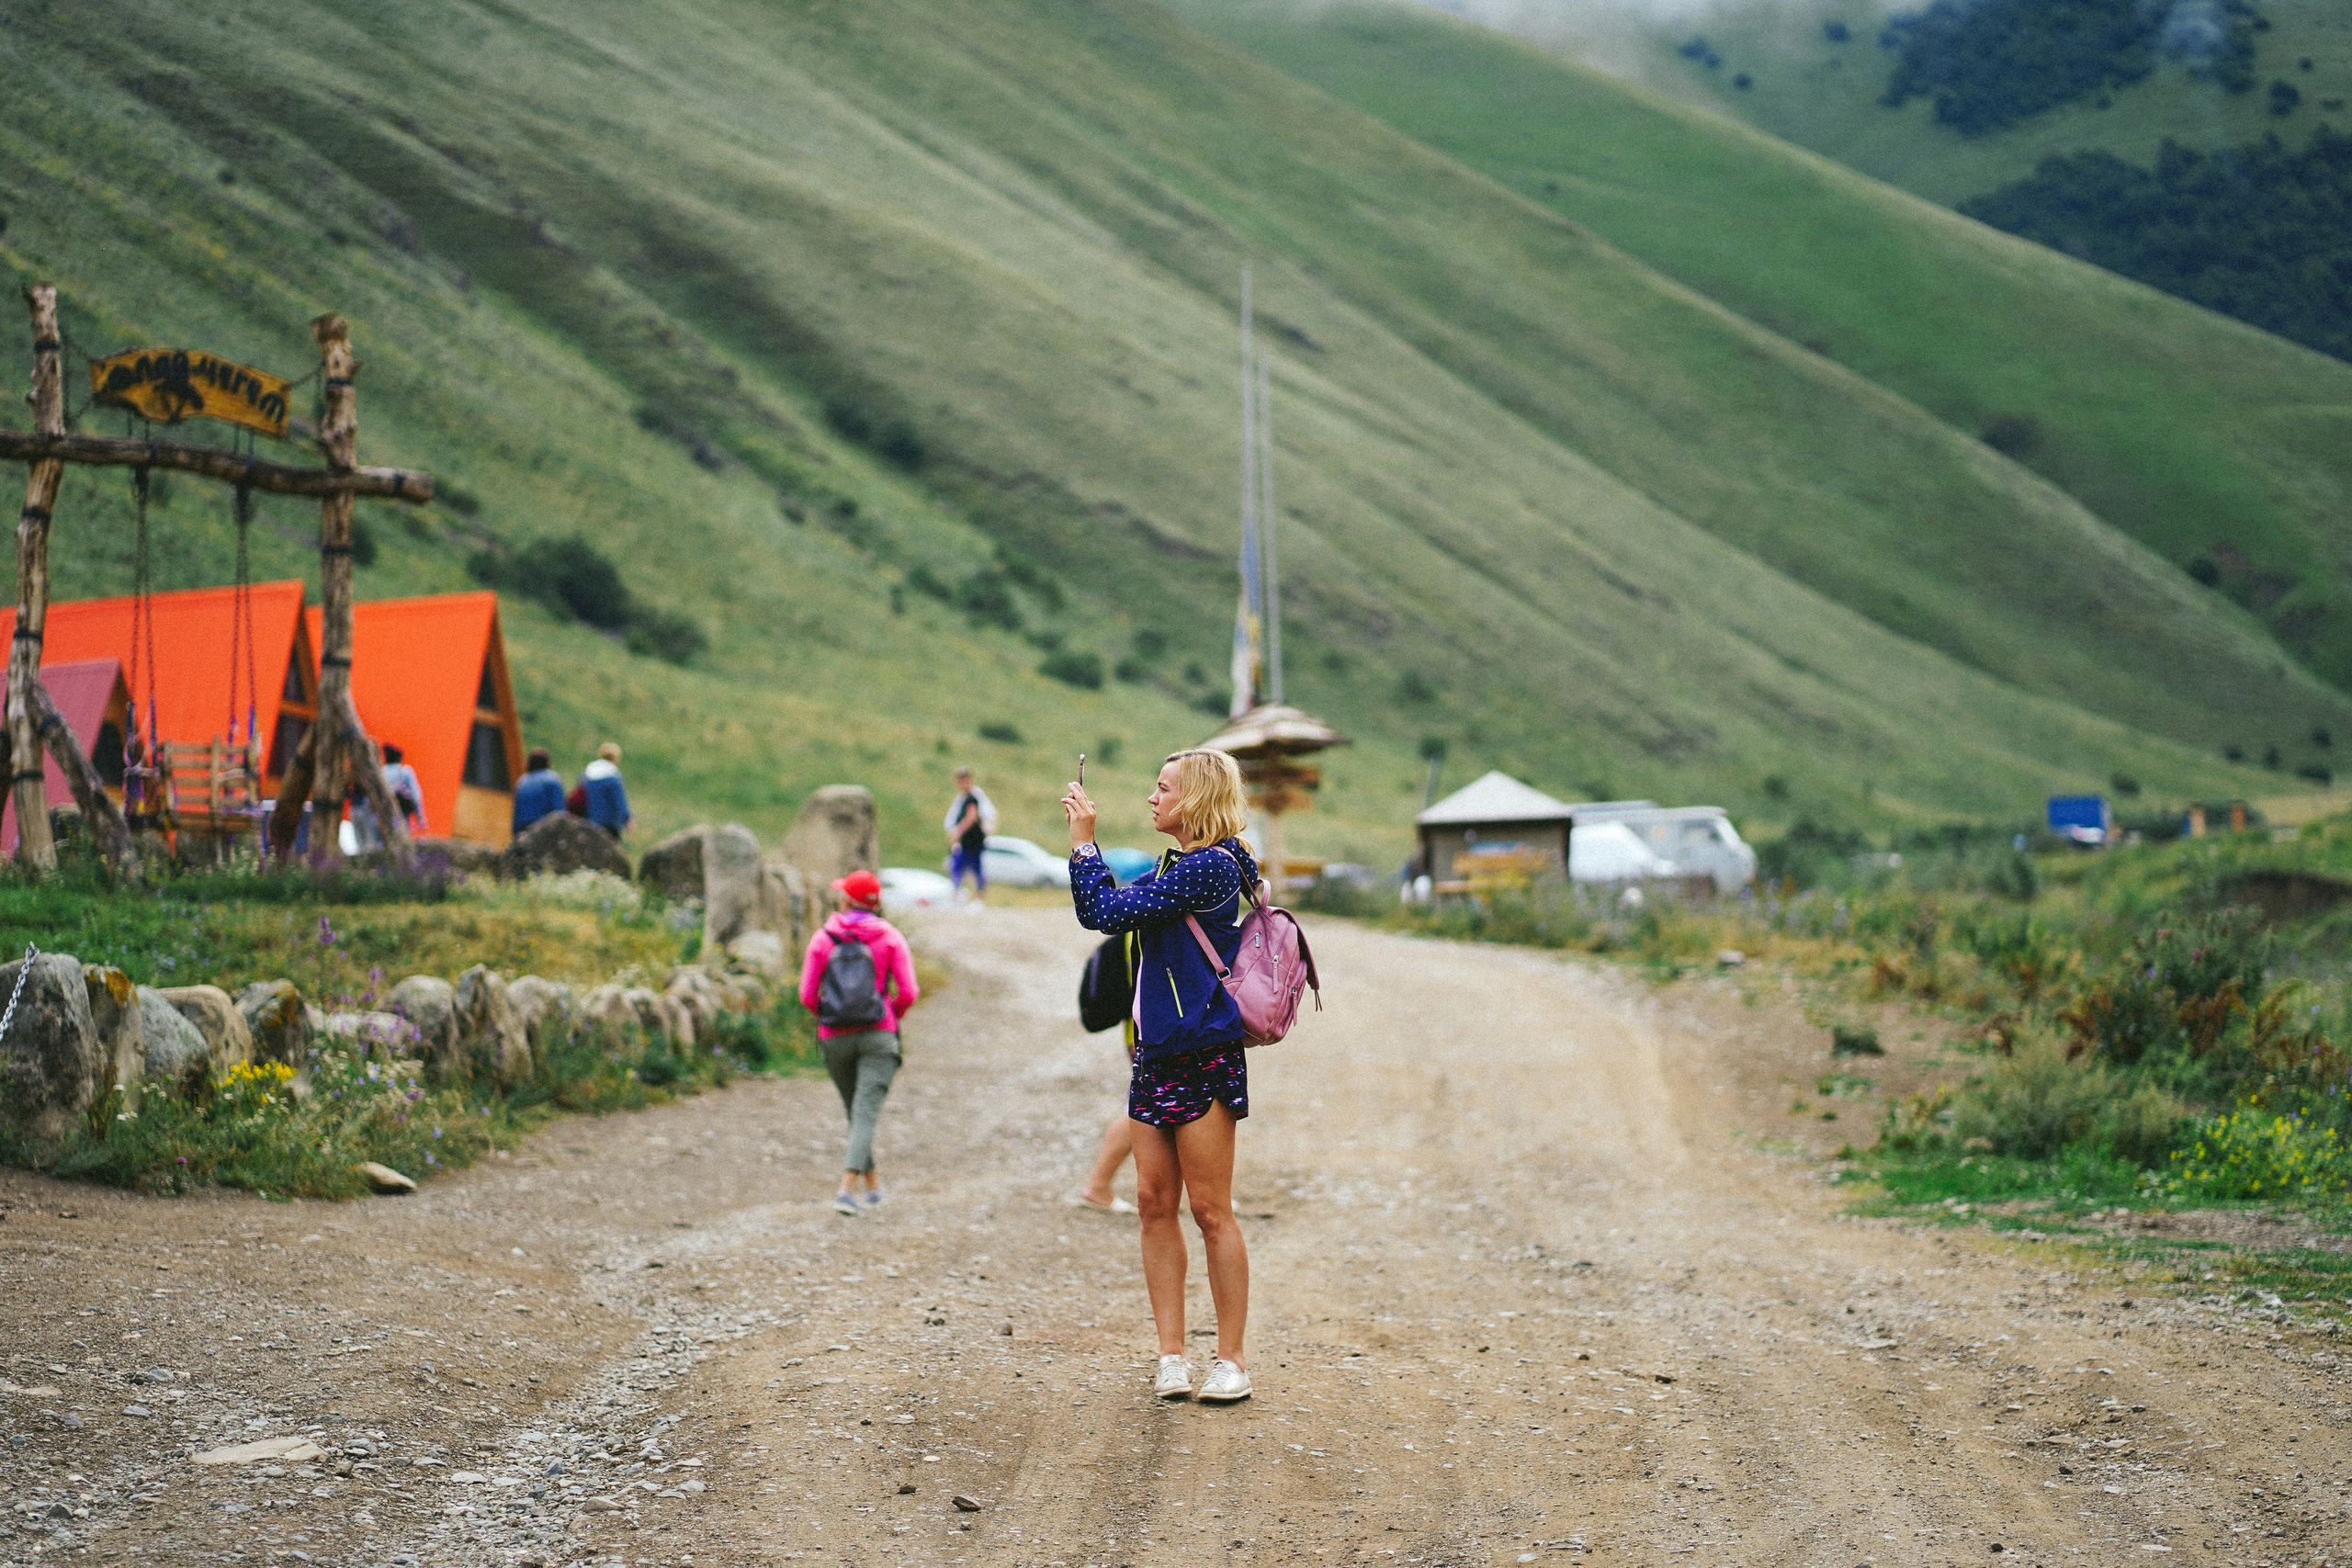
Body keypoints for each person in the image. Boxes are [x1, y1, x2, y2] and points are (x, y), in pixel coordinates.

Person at [1063, 749, 1260, 1404]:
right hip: (1156, 1053)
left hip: (1202, 1052)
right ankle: (1171, 1356)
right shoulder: (1180, 864)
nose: (1151, 798)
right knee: (1153, 1203)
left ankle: (1231, 1360)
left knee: (1209, 1208)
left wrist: (1084, 845)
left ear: (1196, 799)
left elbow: (1106, 913)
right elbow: (1114, 909)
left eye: (1163, 787)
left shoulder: (1213, 866)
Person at [797, 868, 921, 1215]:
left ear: (845, 899)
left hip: (834, 1038)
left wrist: (829, 1017)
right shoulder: (891, 937)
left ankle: (873, 1186)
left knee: (857, 1112)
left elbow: (807, 994)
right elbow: (909, 992)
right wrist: (889, 1014)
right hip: (878, 1037)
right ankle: (846, 1190)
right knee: (863, 1113)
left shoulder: (823, 938)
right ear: (876, 903)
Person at [944, 765, 994, 903]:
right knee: (961, 867)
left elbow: (971, 817)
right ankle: (961, 895)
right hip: (966, 841)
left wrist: (957, 832)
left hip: (973, 840)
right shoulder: (963, 798)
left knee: (972, 868)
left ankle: (978, 897)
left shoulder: (973, 798)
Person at [580, 742, 632, 839]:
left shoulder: (587, 773)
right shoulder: (613, 776)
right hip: (609, 823)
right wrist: (627, 819)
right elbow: (619, 800)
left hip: (589, 820)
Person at [511, 749, 565, 836]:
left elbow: (516, 813)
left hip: (523, 830)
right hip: (544, 829)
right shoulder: (552, 779)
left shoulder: (522, 781)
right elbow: (558, 811)